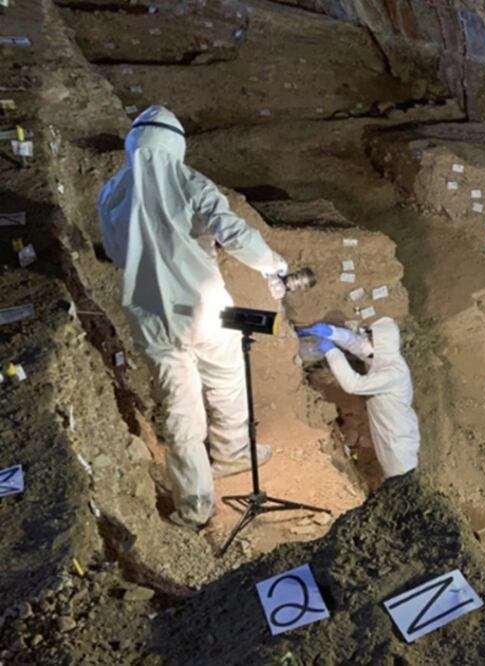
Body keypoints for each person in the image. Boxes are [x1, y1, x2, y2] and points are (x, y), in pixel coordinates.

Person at [98, 105, 289, 530]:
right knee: (226, 379)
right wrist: (273, 263)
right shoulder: (190, 184)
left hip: (149, 315)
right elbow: (234, 234)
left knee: (178, 405)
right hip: (204, 310)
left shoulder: (112, 191)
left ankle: (196, 503)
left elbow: (113, 250)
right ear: (175, 146)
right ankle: (233, 452)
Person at [298, 318, 419, 478]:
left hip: (397, 438)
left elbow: (354, 385)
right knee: (388, 471)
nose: (367, 341)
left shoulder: (393, 372)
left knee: (399, 477)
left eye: (371, 339)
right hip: (385, 428)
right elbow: (357, 344)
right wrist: (332, 331)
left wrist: (331, 351)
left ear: (382, 343)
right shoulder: (382, 357)